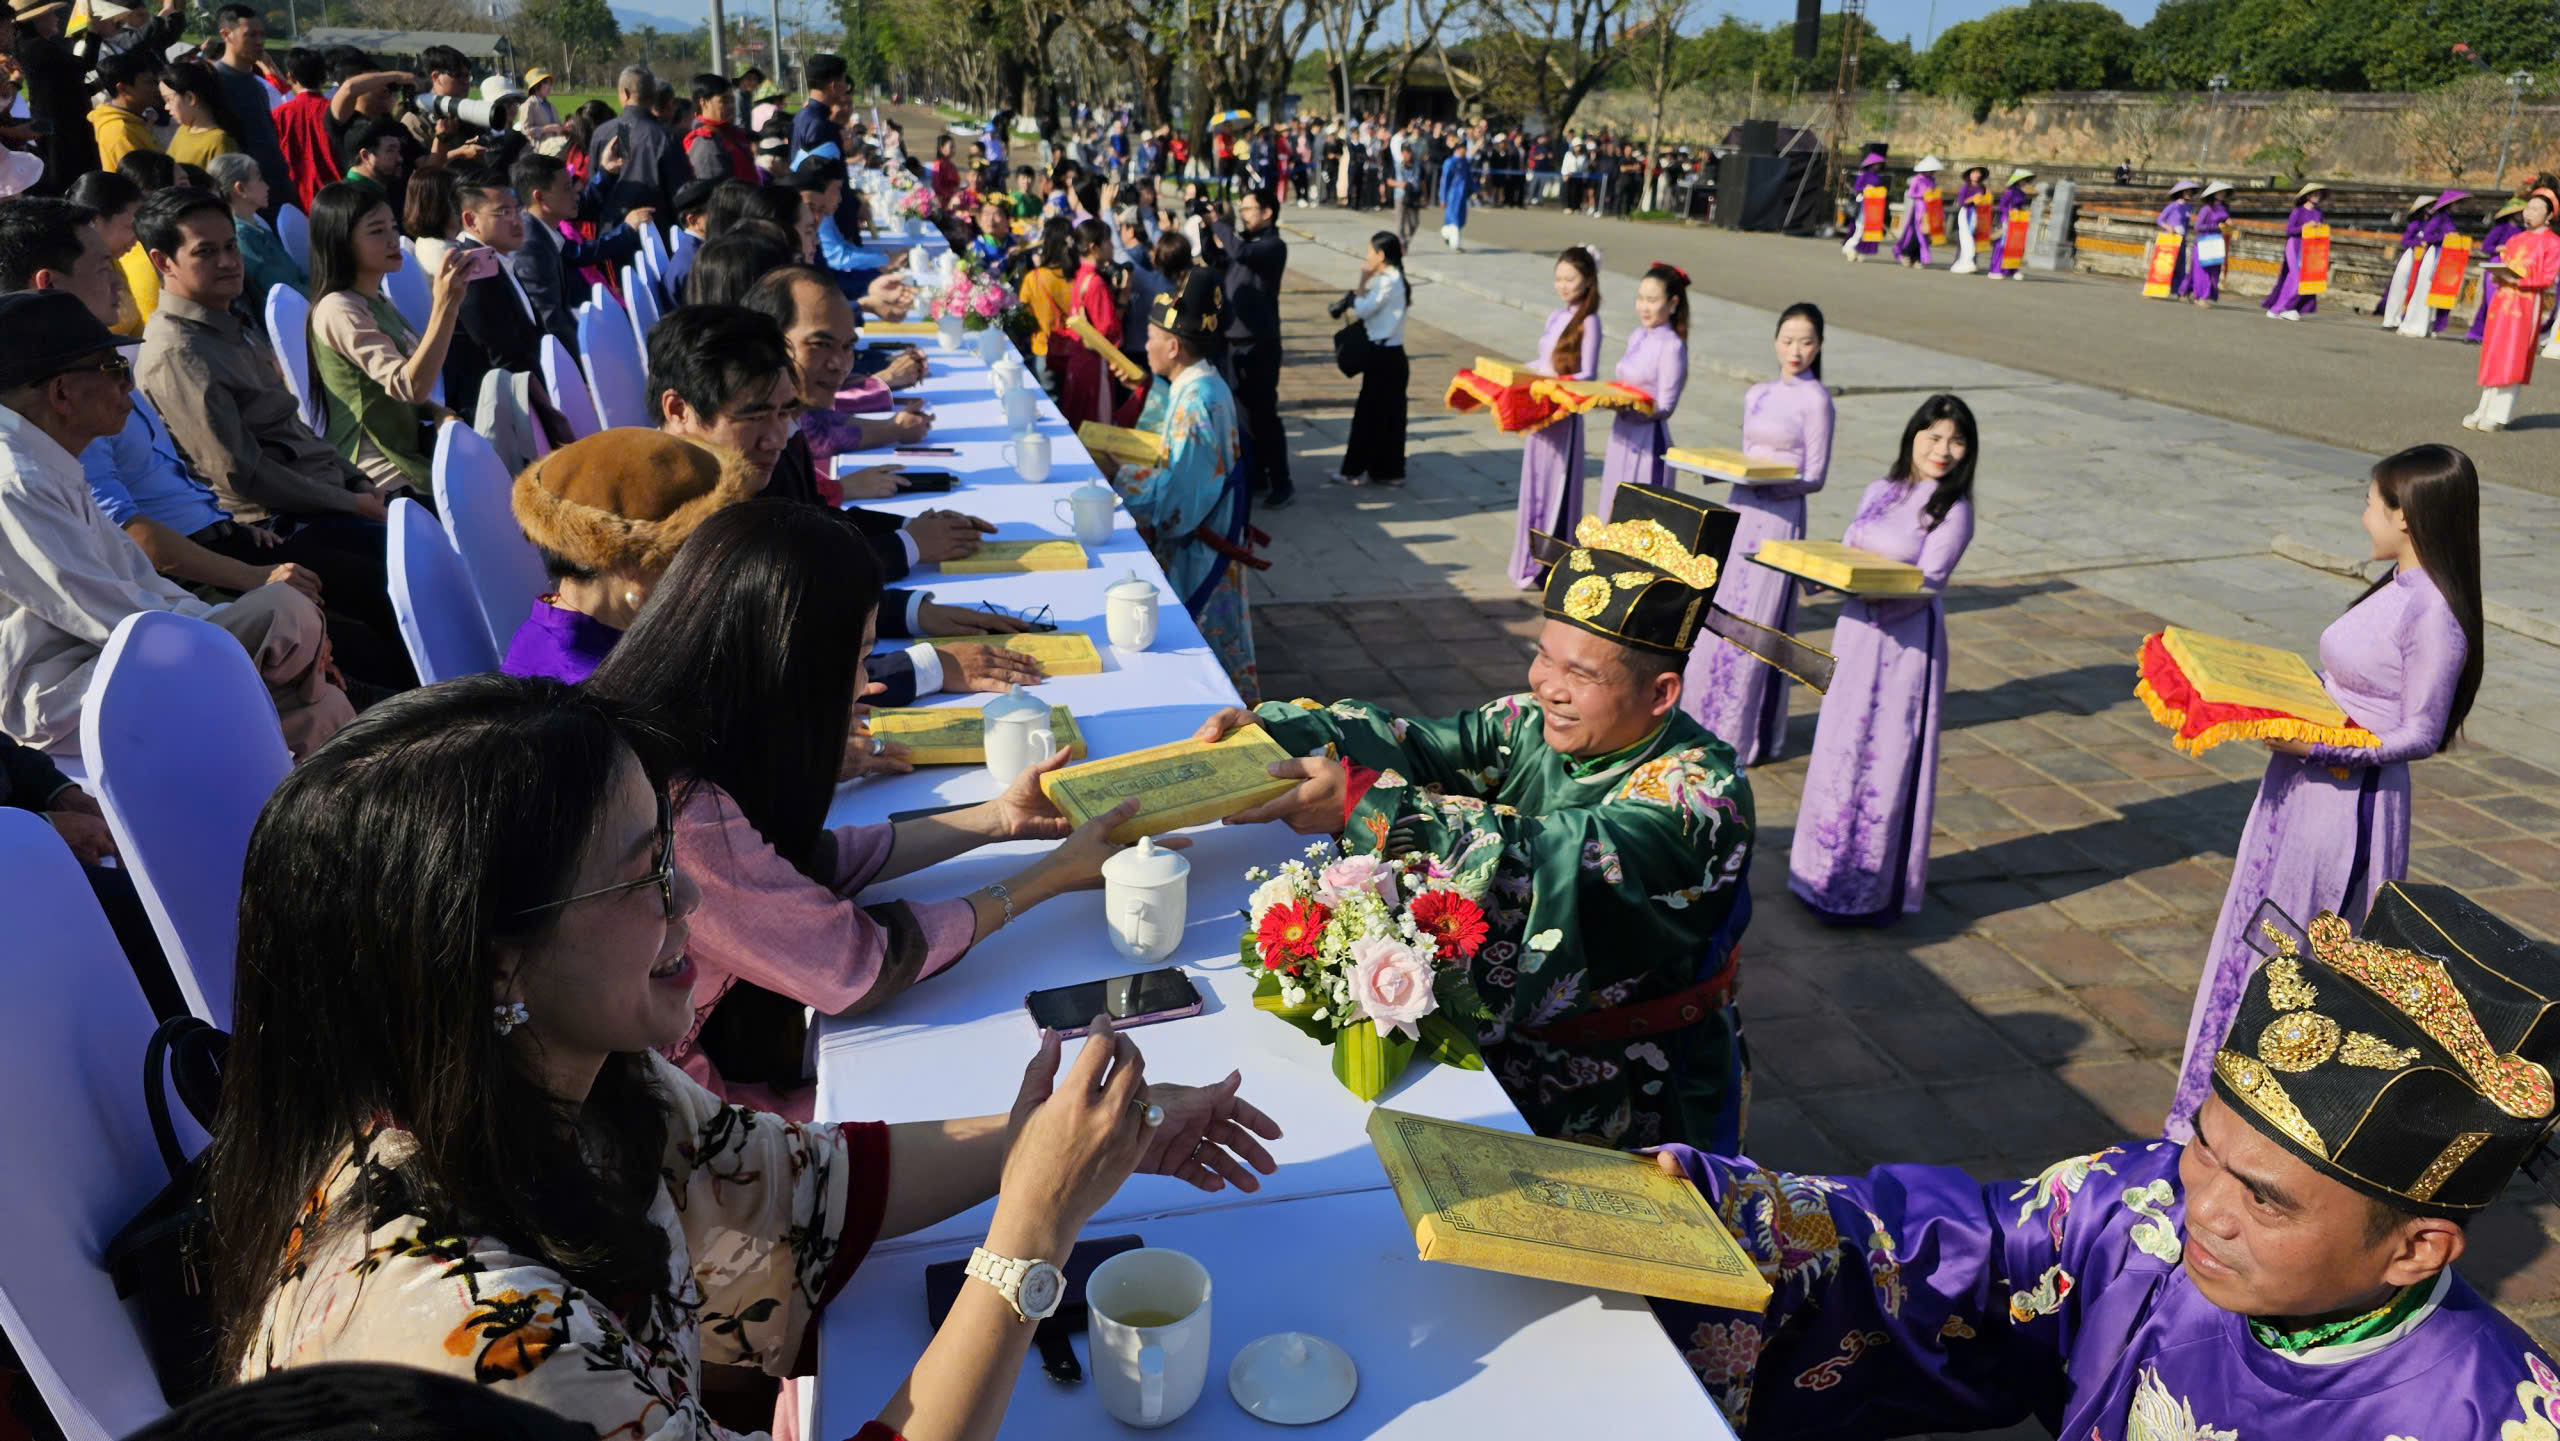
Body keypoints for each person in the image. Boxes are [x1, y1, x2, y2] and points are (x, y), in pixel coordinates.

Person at [204, 672, 1279, 1438]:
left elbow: (808, 1183)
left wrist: (1061, 1143)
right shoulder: (488, 1337)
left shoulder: (573, 1080)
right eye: (640, 880)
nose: (691, 899)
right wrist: (1031, 1236)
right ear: (492, 962)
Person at [1650, 883, 2560, 1439]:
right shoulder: (2145, 1209)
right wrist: (1728, 1216)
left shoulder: (2492, 1418)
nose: (2204, 1206)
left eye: (2267, 1200)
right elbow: (1954, 1249)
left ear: (2416, 1248)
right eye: (2206, 1142)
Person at [1189, 483, 1789, 1148]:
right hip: (1511, 1049)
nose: (1546, 686)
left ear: (1660, 692)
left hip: (1632, 1088)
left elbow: (1557, 860)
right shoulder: (1534, 722)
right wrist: (1284, 735)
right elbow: (1424, 746)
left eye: (1581, 675)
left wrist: (1366, 803)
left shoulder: (1703, 796)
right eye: (1542, 654)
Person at [582, 500, 1167, 1113]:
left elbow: (792, 867)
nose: (863, 686)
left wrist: (996, 820)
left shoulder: (660, 745)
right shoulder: (679, 814)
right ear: (787, 663)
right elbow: (853, 965)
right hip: (672, 1123)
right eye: (857, 660)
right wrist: (1044, 879)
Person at [2169, 443, 2483, 1137]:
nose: (2363, 514)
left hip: (2347, 802)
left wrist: (2315, 743)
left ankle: (2273, 1121)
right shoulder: (2398, 585)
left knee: (2300, 956)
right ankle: (2217, 1104)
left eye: (2373, 503)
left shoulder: (2433, 610)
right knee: (2256, 933)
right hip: (2303, 786)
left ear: (2409, 517)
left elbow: (2420, 732)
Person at [0, 289, 351, 754]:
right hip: (71, 687)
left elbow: (141, 582)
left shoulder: (45, 460)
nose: (128, 384)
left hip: (118, 655)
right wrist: (265, 634)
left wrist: (233, 625)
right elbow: (108, 615)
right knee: (286, 614)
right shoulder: (17, 480)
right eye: (113, 368)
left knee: (311, 687)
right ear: (62, 393)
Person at [1788, 392, 1978, 925]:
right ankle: (1818, 873)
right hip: (1855, 636)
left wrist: (1867, 587)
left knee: (1883, 756)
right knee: (1837, 749)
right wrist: (1803, 568)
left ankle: (1865, 891)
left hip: (1904, 645)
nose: (1943, 450)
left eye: (1956, 441)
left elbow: (1928, 583)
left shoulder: (1952, 511)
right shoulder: (1881, 489)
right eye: (1934, 436)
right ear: (1913, 436)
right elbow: (1848, 548)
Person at [136, 186, 390, 528]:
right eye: (205, 252)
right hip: (281, 523)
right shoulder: (178, 352)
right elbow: (243, 474)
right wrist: (351, 502)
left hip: (330, 494)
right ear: (163, 261)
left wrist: (356, 480)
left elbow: (290, 425)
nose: (227, 262)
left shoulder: (225, 321)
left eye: (230, 246)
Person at [1090, 267, 1257, 694]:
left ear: (1174, 345)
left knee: (1200, 669)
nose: (1143, 345)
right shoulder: (1198, 383)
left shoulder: (1196, 403)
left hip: (1199, 548)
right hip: (1212, 532)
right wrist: (1151, 385)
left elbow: (1176, 501)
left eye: (1149, 338)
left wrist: (1118, 476)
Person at [1688, 302, 1832, 767]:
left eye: (1806, 341)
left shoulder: (1816, 401)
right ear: (1775, 341)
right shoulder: (1757, 394)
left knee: (1760, 625)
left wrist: (1766, 479)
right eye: (1788, 340)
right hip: (1742, 509)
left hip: (1780, 518)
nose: (1796, 350)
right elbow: (1745, 456)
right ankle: (1699, 717)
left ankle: (1740, 731)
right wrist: (1716, 469)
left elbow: (1814, 475)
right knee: (1718, 617)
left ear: (1819, 346)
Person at [305, 180, 469, 494]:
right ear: (341, 242)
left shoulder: (375, 298)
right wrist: (445, 307)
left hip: (408, 453)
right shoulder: (338, 308)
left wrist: (440, 414)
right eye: (377, 231)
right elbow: (410, 386)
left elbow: (415, 389)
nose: (393, 239)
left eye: (393, 227)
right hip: (377, 472)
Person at [1507, 245, 1600, 590]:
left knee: (1555, 487)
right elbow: (1542, 362)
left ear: (1588, 281)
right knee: (1534, 485)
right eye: (1558, 278)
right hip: (1541, 413)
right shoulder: (1555, 316)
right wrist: (1515, 373)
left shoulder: (1590, 322)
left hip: (1562, 417)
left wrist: (1553, 384)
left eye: (1570, 279)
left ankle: (1549, 567)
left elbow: (1589, 374)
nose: (1562, 285)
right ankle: (1528, 559)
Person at [1199, 186, 1291, 507]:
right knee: (1243, 418)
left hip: (1260, 344)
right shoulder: (1247, 242)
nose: (1243, 214)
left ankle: (1282, 482)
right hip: (1234, 341)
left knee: (1264, 415)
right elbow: (1217, 257)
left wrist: (1218, 221)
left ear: (1267, 212)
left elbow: (1239, 253)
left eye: (1249, 209)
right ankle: (1256, 476)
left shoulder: (1273, 246)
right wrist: (1206, 229)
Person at [509, 150, 647, 354]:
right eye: (566, 188)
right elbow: (551, 319)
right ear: (540, 197)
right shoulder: (531, 245)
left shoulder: (542, 230)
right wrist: (589, 362)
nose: (575, 194)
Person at [1597, 262, 1691, 513]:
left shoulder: (1672, 347)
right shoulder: (1637, 335)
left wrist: (1632, 405)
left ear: (1672, 303)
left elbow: (1666, 406)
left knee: (1639, 517)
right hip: (1621, 434)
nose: (1643, 307)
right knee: (1612, 508)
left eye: (1652, 300)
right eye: (1640, 298)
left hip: (1647, 440)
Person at [2464, 180, 2556, 432]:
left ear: (2549, 215)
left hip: (2526, 302)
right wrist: (2499, 275)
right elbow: (2505, 266)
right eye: (2528, 208)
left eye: (2537, 209)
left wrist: (2518, 279)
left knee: (2513, 354)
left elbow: (2547, 278)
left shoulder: (2553, 243)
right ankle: (2483, 407)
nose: (2529, 213)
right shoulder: (2515, 239)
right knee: (2494, 351)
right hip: (2503, 300)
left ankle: (2499, 413)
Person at [1329, 230, 1409, 489]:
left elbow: (1363, 309)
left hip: (1385, 358)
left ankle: (1354, 470)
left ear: (1381, 255)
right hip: (1390, 357)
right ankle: (1387, 471)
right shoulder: (1393, 279)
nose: (1367, 256)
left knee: (1369, 416)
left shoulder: (1389, 282)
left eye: (1370, 252)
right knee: (1389, 417)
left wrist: (1363, 281)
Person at [589, 64, 688, 215]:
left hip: (612, 230)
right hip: (655, 229)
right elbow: (681, 191)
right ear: (653, 95)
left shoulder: (605, 132)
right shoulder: (665, 137)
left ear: (625, 93)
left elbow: (594, 188)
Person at [208, 151, 306, 301]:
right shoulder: (241, 238)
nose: (266, 186)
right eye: (259, 179)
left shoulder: (255, 225)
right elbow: (280, 289)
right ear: (241, 189)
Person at [1056, 216, 1120, 427]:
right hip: (1095, 366)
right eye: (1108, 241)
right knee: (1097, 425)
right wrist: (1123, 302)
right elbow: (1109, 331)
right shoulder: (1097, 284)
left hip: (1078, 362)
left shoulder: (1081, 276)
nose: (1112, 246)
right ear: (1094, 247)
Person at [2396, 190, 2468, 339]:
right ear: (2451, 203)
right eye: (2457, 203)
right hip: (2433, 255)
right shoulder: (2438, 217)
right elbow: (2428, 236)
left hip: (2443, 255)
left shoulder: (2447, 218)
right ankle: (2413, 324)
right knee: (2424, 289)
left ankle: (2424, 325)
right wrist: (2445, 236)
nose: (2459, 207)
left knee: (2431, 291)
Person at [87, 48, 163, 176]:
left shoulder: (135, 121)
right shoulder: (121, 132)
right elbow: (143, 183)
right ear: (123, 88)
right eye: (149, 82)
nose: (157, 88)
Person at [161, 59, 243, 171]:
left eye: (169, 99)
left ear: (190, 98)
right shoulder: (183, 130)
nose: (166, 107)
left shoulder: (219, 141)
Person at [2263, 181, 2328, 321]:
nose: (2317, 196)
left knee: (2305, 279)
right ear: (2307, 196)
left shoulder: (2318, 213)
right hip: (2295, 245)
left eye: (2319, 194)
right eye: (2315, 194)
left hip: (2310, 248)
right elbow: (2289, 230)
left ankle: (2287, 307)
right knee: (2296, 277)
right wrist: (2304, 227)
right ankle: (2279, 308)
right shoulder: (2298, 211)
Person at [682, 71, 755, 183]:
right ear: (703, 102)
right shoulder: (704, 141)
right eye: (724, 101)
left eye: (732, 100)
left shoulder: (732, 133)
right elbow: (716, 191)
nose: (731, 106)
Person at [337, 118, 406, 213]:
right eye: (390, 150)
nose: (400, 159)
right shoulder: (348, 203)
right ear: (365, 156)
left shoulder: (377, 193)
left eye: (398, 150)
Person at [2147, 178, 2197, 300]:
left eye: (2191, 192)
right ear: (2181, 193)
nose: (2189, 194)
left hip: (2182, 240)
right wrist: (2168, 227)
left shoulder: (2189, 207)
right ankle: (2154, 289)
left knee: (2181, 266)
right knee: (2164, 265)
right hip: (2170, 239)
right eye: (2187, 192)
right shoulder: (2172, 206)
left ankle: (2180, 292)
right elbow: (2160, 220)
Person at [2187, 179, 2233, 306]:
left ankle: (2198, 294)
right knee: (2203, 272)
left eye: (2224, 192)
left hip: (2217, 243)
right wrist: (2217, 227)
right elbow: (2198, 226)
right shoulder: (2206, 209)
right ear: (2213, 194)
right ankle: (2200, 297)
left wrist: (2228, 225)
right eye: (2219, 192)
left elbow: (2226, 223)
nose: (2222, 194)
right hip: (2203, 243)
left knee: (2214, 271)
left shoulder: (2223, 209)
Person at [1892, 155, 1943, 267]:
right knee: (1915, 234)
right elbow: (1911, 193)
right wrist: (1923, 194)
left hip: (1929, 210)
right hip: (1918, 210)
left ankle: (1917, 258)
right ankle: (1906, 254)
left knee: (1925, 236)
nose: (1931, 172)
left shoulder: (1932, 180)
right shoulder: (1917, 179)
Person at [1986, 167, 2033, 279]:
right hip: (2007, 220)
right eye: (2023, 179)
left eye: (2026, 180)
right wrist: (2010, 211)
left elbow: (2021, 206)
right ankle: (1996, 269)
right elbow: (2002, 206)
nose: (2025, 182)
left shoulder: (2021, 192)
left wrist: (2024, 211)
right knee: (2002, 244)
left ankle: (2012, 269)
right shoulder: (2010, 191)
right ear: (2018, 180)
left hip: (2017, 220)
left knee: (2015, 245)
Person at [1841, 149, 1886, 261]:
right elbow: (1857, 188)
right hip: (1863, 204)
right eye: (1877, 164)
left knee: (1867, 229)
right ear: (1872, 164)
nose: (1879, 166)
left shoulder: (1877, 177)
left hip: (1873, 206)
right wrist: (1865, 189)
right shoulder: (1863, 175)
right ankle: (1849, 247)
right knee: (1860, 228)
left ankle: (1856, 250)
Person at [1948, 164, 1990, 274]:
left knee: (1975, 238)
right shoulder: (1965, 187)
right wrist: (1972, 199)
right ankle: (1962, 261)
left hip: (1978, 214)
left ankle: (1972, 262)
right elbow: (1961, 202)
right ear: (1969, 174)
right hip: (1967, 213)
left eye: (1978, 173)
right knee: (1966, 237)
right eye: (1974, 172)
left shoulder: (1982, 187)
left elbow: (1986, 200)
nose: (1977, 175)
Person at [1438, 139, 1474, 252]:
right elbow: (1444, 181)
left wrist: (1475, 190)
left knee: (1461, 219)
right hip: (1452, 195)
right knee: (1454, 220)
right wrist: (1443, 198)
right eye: (1464, 148)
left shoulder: (1465, 162)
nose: (1466, 151)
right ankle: (1455, 244)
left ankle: (1445, 233)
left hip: (1462, 195)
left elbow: (1469, 178)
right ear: (1459, 149)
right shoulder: (1450, 162)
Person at [514, 67, 560, 142]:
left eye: (549, 83)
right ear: (536, 86)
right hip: (539, 147)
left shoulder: (550, 106)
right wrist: (546, 129)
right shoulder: (528, 105)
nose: (549, 86)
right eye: (545, 83)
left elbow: (557, 126)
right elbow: (525, 131)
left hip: (556, 142)